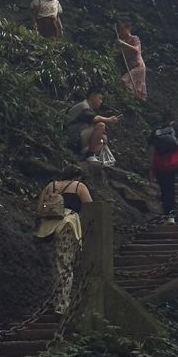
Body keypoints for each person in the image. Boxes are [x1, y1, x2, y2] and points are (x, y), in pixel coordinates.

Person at [33, 184, 84, 312]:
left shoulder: (51, 186)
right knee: (65, 265)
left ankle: (56, 299)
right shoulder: (78, 186)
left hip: (50, 226)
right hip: (68, 225)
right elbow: (91, 205)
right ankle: (62, 304)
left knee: (56, 264)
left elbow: (40, 206)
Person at [148, 118, 178, 222]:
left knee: (167, 188)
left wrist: (152, 169)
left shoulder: (154, 132)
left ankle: (170, 215)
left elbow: (152, 153)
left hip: (162, 164)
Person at [65, 87, 119, 162]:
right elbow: (95, 119)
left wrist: (102, 135)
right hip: (73, 138)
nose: (101, 102)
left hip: (79, 137)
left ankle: (88, 155)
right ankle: (90, 155)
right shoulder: (83, 106)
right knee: (101, 125)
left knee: (102, 140)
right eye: (100, 98)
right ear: (92, 96)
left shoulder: (88, 109)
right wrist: (109, 120)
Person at [116, 22, 147, 100]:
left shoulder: (134, 38)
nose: (121, 32)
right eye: (120, 31)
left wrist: (123, 43)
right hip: (130, 67)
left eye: (123, 30)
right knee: (129, 86)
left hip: (138, 66)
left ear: (128, 29)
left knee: (124, 81)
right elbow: (118, 54)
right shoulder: (122, 42)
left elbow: (136, 50)